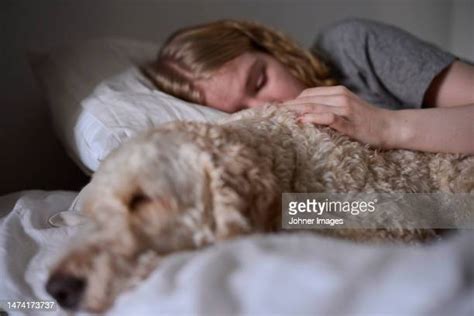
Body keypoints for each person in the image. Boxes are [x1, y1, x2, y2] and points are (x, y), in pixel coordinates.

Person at [143, 18, 474, 154]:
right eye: (240, 112)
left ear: (271, 47)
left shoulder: (352, 48)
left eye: (260, 81)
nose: (267, 108)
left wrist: (387, 126)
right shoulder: (277, 157)